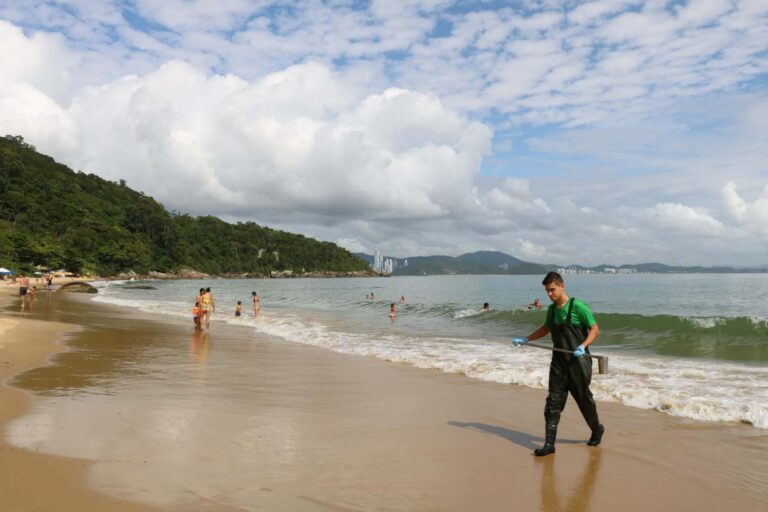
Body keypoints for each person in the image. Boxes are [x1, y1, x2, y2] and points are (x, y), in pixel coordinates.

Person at [512, 272, 604, 456]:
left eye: (552, 290)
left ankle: (597, 429)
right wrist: (526, 339)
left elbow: (595, 329)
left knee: (583, 399)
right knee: (553, 402)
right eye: (547, 291)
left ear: (562, 286)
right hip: (558, 362)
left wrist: (583, 346)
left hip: (578, 362)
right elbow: (546, 328)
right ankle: (549, 445)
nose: (549, 294)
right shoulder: (552, 309)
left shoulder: (578, 306)